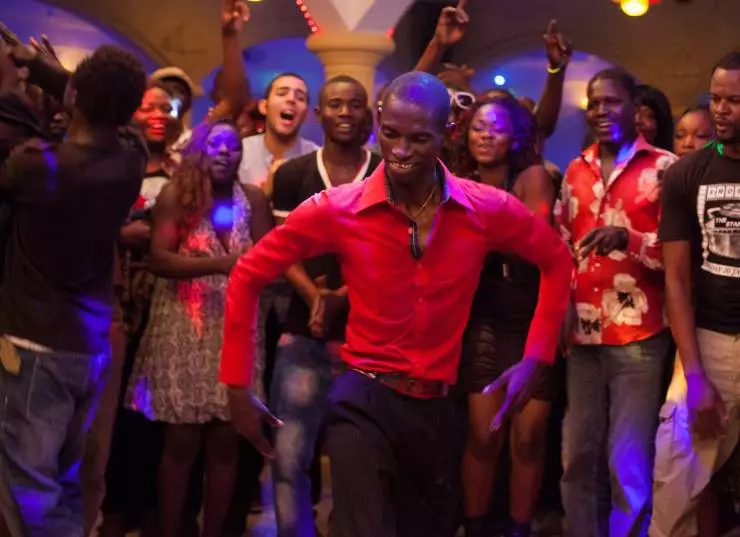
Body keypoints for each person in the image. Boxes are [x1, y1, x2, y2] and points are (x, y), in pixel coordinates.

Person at [220, 71, 573, 537]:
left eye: (419, 139)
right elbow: (247, 274)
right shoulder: (338, 207)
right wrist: (236, 385)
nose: (401, 150)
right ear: (378, 123)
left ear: (448, 132)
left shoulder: (484, 208)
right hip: (363, 399)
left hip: (438, 409)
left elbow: (557, 259)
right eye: (390, 134)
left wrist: (537, 357)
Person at [0, 44, 147, 536]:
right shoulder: (131, 161)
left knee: (29, 492)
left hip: (33, 348)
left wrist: (24, 79)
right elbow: (115, 120)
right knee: (64, 481)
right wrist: (51, 73)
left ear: (74, 95)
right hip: (90, 348)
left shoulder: (38, 166)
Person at [557, 68, 677, 537]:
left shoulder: (665, 169)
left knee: (626, 462)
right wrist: (562, 305)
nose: (601, 111)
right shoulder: (575, 169)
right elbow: (561, 246)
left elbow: (680, 255)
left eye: (611, 101)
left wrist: (629, 238)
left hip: (639, 337)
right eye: (594, 103)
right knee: (577, 457)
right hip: (582, 337)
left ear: (634, 106)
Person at [270, 74, 380, 537]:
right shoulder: (293, 174)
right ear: (319, 114)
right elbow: (282, 250)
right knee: (289, 456)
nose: (344, 113)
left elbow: (394, 254)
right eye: (335, 104)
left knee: (361, 462)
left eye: (354, 104)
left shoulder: (385, 174)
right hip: (303, 331)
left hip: (369, 337)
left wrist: (342, 298)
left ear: (368, 115)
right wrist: (316, 297)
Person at [452, 95, 557, 537]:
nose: (485, 135)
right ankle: (475, 526)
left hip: (533, 314)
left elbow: (533, 239)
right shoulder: (458, 181)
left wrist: (478, 237)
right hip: (484, 315)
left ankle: (519, 528)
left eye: (495, 128)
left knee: (528, 438)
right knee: (483, 435)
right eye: (478, 127)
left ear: (514, 136)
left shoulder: (533, 176)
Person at [650, 51, 740, 537]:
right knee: (676, 491)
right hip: (711, 342)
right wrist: (696, 375)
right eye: (717, 98)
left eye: (734, 101)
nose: (721, 110)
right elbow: (677, 281)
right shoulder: (688, 174)